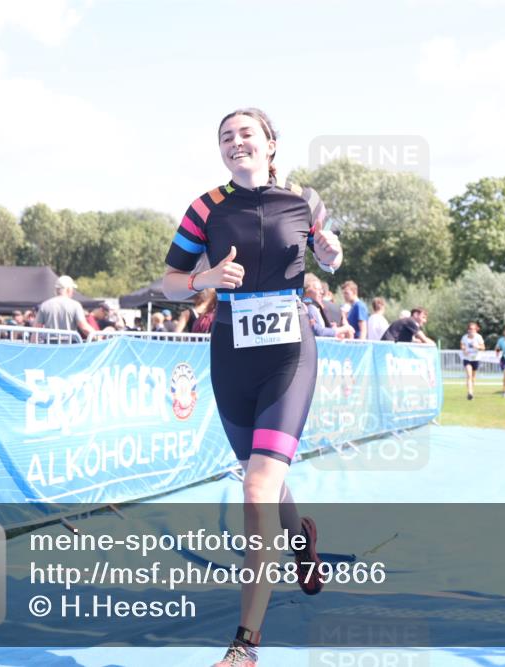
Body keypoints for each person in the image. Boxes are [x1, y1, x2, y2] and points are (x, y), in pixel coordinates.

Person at [161, 108, 343, 667]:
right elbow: (168, 284)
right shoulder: (204, 207)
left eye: (246, 134)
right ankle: (301, 539)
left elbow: (329, 253)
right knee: (263, 478)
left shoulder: (304, 201)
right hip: (231, 356)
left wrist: (332, 253)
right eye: (225, 137)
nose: (235, 142)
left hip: (289, 355)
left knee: (258, 488)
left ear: (269, 143)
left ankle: (245, 645)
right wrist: (203, 281)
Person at [35, 275, 95, 342]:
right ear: (68, 289)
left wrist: (32, 348)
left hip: (49, 346)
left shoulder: (44, 305)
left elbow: (36, 331)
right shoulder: (75, 305)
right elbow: (84, 328)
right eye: (72, 289)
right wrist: (98, 337)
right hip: (69, 346)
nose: (73, 292)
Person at [460, 321, 485, 400]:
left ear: (476, 330)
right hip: (467, 359)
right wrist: (464, 350)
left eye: (473, 329)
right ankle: (469, 393)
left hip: (476, 359)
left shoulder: (478, 337)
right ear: (468, 330)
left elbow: (483, 348)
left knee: (473, 377)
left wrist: (477, 347)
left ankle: (471, 391)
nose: (472, 331)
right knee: (469, 375)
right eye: (470, 329)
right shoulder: (464, 337)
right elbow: (462, 345)